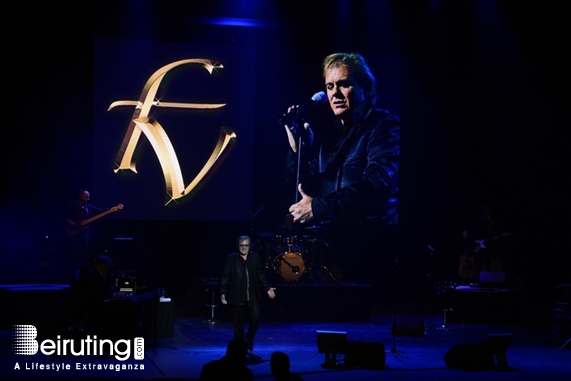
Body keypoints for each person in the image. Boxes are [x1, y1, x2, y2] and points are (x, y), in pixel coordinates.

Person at [282, 52, 399, 225]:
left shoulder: (383, 125)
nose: (335, 93)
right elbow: (308, 188)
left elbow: (377, 183)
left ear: (364, 88)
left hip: (372, 240)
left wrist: (318, 208)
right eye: (329, 87)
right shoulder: (331, 135)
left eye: (343, 84)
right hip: (332, 241)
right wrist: (299, 152)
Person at [220, 235, 276, 351]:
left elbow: (260, 274)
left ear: (250, 246)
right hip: (237, 295)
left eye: (246, 245)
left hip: (252, 295)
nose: (244, 248)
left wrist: (267, 288)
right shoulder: (231, 259)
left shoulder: (255, 257)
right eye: (242, 245)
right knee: (238, 325)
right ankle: (241, 349)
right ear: (237, 246)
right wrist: (223, 292)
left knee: (256, 318)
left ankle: (249, 338)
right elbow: (225, 277)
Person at [65, 190, 121, 281]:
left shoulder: (89, 207)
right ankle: (71, 274)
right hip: (73, 232)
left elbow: (100, 211)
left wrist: (111, 209)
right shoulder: (72, 205)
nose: (88, 198)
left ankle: (78, 273)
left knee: (82, 253)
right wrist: (73, 225)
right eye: (87, 197)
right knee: (73, 252)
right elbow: (64, 217)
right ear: (81, 196)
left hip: (84, 232)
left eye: (89, 197)